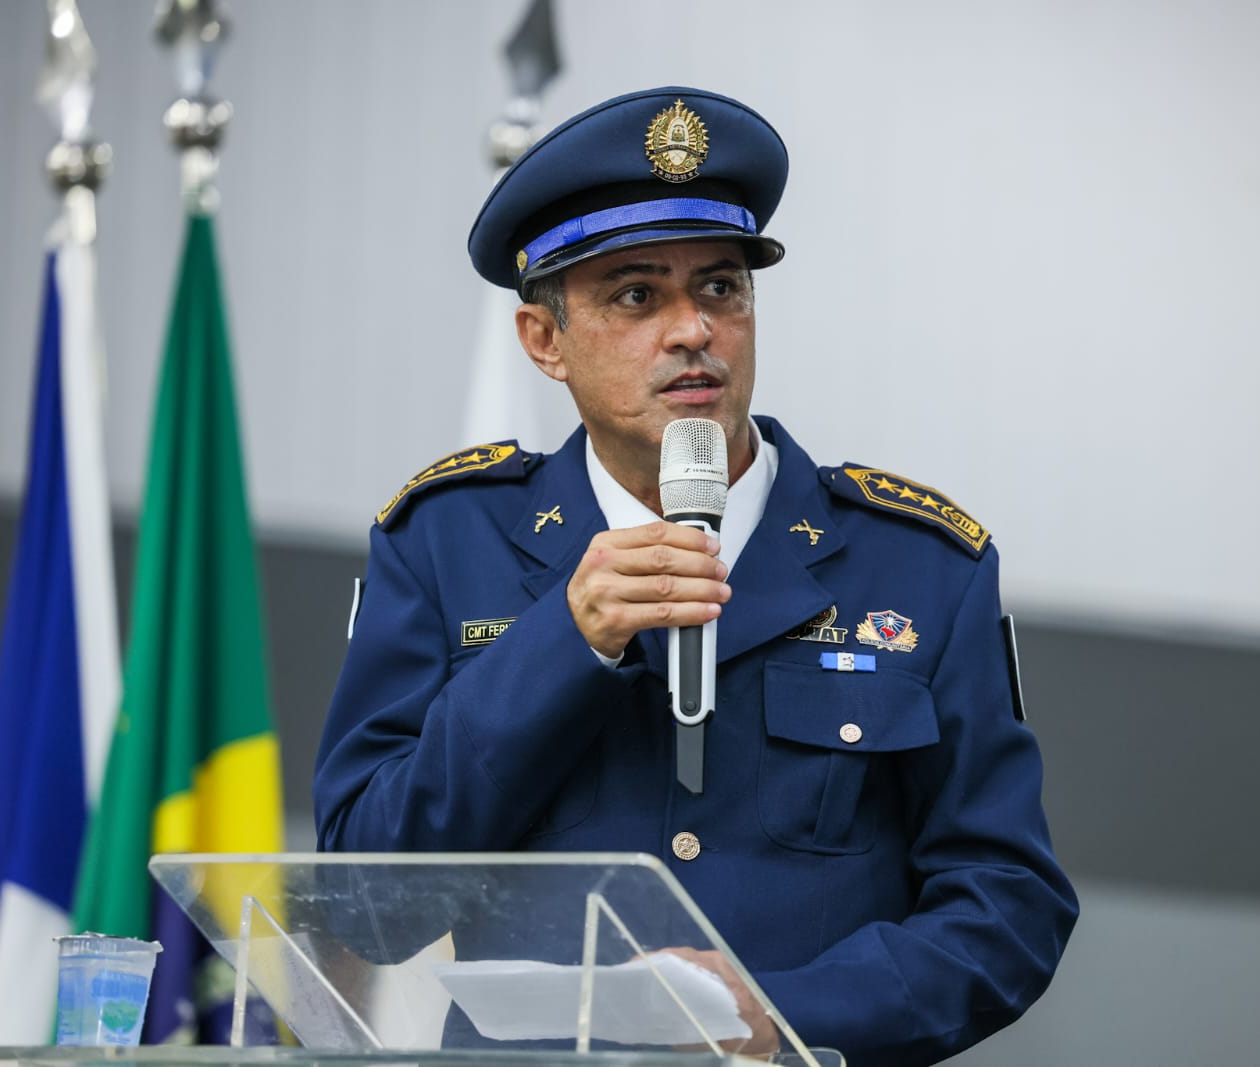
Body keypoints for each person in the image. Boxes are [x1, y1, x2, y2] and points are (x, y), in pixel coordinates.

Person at [314, 86, 1077, 1066]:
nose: (693, 331)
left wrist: (787, 1016)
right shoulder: (444, 543)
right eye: (636, 295)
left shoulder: (918, 565)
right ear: (544, 341)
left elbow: (1007, 904)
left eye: (721, 288)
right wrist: (563, 639)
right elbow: (367, 901)